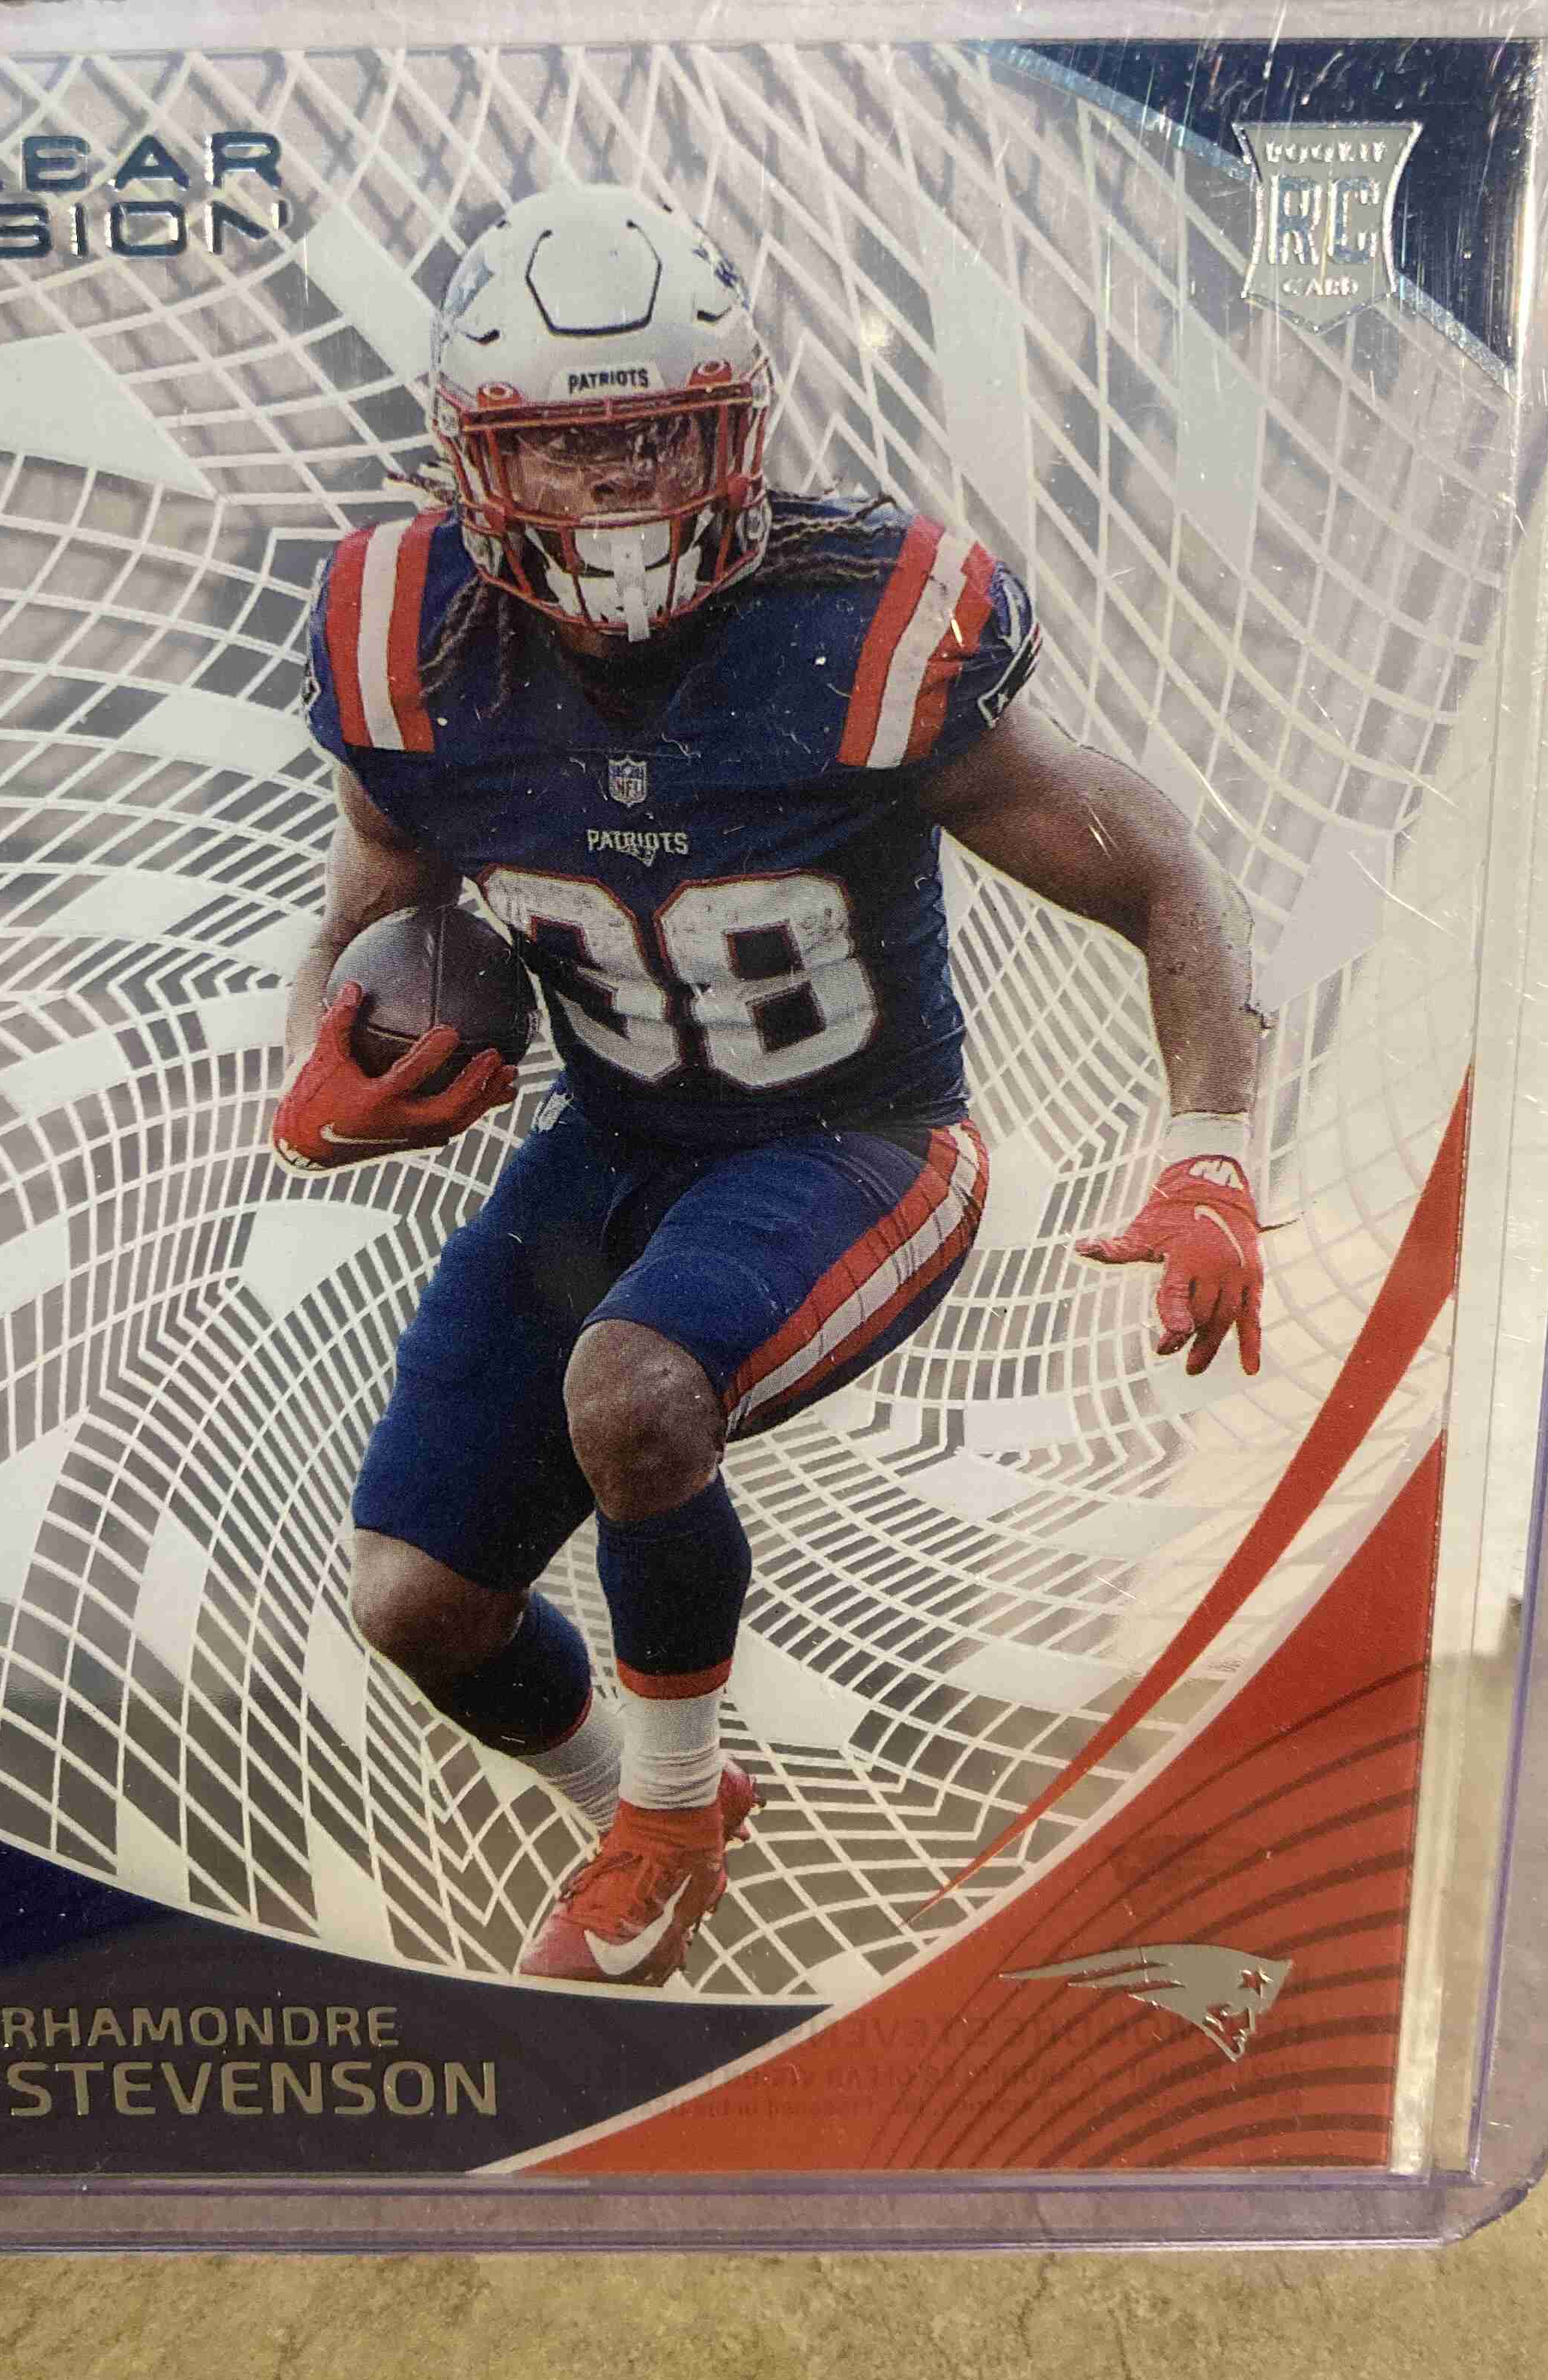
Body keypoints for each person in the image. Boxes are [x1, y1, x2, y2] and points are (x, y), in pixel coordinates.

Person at [275, 180, 1264, 1988]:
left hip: (859, 1138)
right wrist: (312, 1070)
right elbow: (371, 894)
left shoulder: (854, 623)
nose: (617, 486)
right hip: (618, 1136)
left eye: (657, 433)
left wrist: (1211, 1154)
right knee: (416, 1607)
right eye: (564, 446)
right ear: (476, 457)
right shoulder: (408, 637)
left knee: (634, 1392)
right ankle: (651, 1791)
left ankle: (664, 1827)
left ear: (736, 430)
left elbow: (1155, 869)